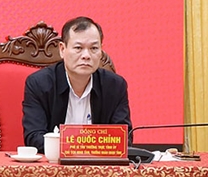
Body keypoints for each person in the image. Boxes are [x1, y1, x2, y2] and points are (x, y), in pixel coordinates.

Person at [22, 16, 132, 151]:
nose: (86, 55)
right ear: (62, 49)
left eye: (94, 48)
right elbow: (34, 138)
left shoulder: (115, 86)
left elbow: (124, 138)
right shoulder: (39, 84)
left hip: (98, 164)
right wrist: (83, 146)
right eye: (78, 48)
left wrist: (77, 146)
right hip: (54, 162)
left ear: (101, 52)